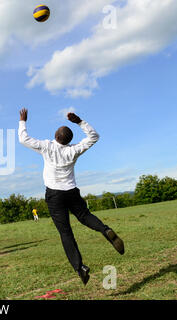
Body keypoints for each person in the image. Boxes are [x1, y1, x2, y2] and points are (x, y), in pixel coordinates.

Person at [18, 108, 125, 285]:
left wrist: (23, 121)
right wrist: (80, 122)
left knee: (65, 232)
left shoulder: (47, 147)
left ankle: (80, 267)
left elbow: (23, 139)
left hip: (54, 195)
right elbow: (94, 137)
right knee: (85, 216)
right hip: (71, 191)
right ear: (69, 139)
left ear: (55, 136)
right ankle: (105, 230)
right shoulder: (74, 150)